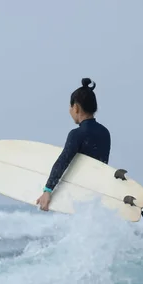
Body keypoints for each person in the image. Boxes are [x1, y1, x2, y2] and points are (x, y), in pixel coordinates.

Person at [36, 77, 111, 211]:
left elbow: (63, 161)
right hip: (97, 197)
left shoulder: (76, 134)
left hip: (79, 198)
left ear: (75, 107)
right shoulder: (105, 133)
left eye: (70, 107)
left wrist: (47, 190)